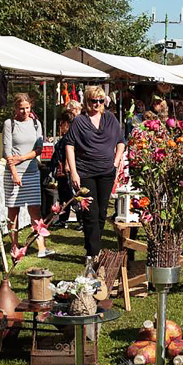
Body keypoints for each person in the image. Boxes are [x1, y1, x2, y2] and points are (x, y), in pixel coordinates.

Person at [65, 86, 125, 259]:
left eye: (100, 101)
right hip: (86, 172)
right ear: (87, 102)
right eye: (94, 101)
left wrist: (115, 160)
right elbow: (69, 145)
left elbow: (121, 141)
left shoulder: (110, 118)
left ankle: (92, 247)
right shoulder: (79, 121)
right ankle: (93, 254)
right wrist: (74, 172)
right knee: (90, 213)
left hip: (106, 172)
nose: (97, 104)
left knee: (101, 213)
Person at [3, 93, 54, 257]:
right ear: (15, 108)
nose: (25, 112)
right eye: (21, 108)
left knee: (35, 211)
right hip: (13, 173)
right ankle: (14, 246)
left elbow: (39, 149)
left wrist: (23, 158)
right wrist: (14, 173)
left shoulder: (36, 124)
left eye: (27, 108)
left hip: (31, 172)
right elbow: (7, 152)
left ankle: (41, 247)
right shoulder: (9, 124)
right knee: (13, 212)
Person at [50, 110, 82, 231]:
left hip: (66, 170)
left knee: (72, 195)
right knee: (64, 196)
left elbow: (70, 152)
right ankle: (63, 220)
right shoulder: (68, 136)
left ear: (65, 123)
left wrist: (67, 166)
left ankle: (81, 220)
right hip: (62, 170)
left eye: (61, 124)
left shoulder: (70, 136)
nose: (60, 127)